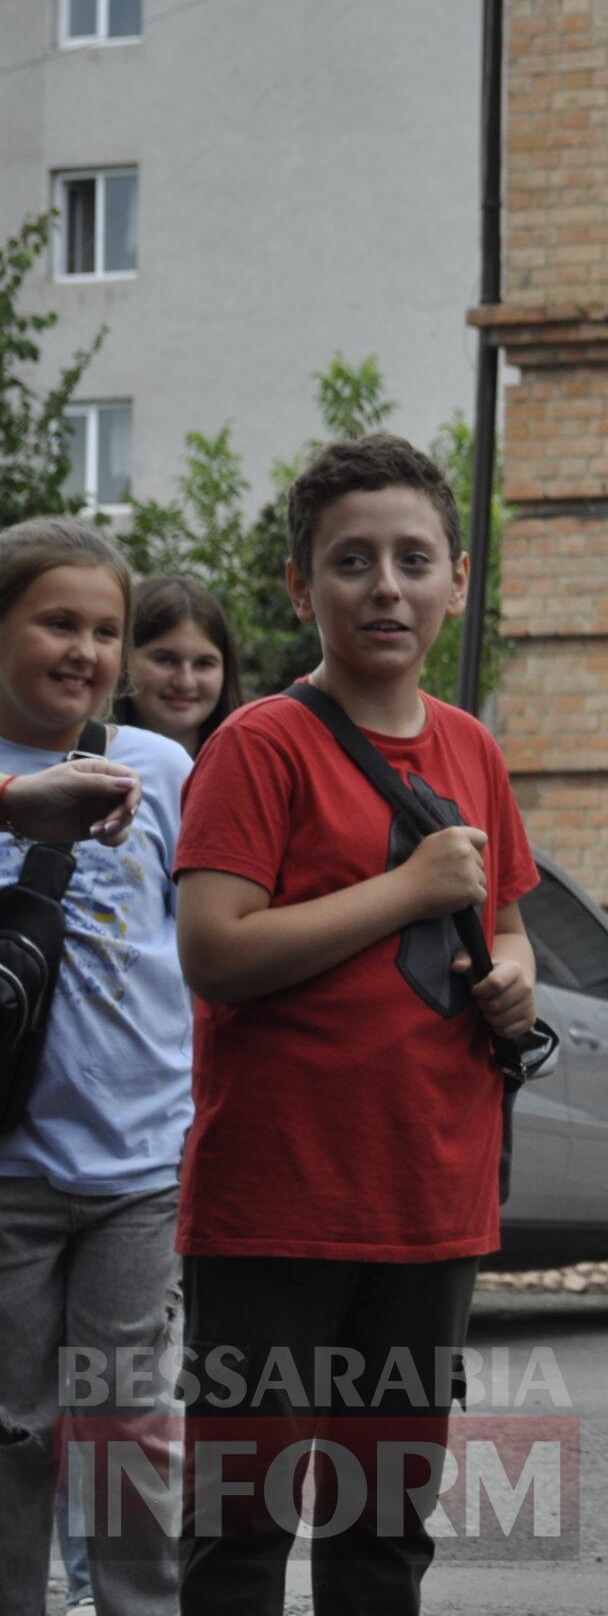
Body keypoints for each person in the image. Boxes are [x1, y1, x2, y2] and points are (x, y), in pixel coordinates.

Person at [171, 435, 540, 1616]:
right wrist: (409, 889)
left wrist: (518, 978)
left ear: (459, 579)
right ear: (300, 587)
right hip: (275, 1200)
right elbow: (214, 947)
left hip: (430, 1198)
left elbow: (511, 921)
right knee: (241, 1524)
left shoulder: (473, 747)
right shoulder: (258, 744)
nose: (387, 584)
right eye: (352, 560)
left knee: (386, 1527)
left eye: (413, 558)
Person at [0, 519, 191, 1616]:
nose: (85, 648)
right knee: (12, 1427)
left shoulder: (161, 763)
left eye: (106, 629)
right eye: (57, 621)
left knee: (129, 1431)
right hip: (10, 1165)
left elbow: (201, 942)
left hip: (138, 1167)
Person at [117, 574, 246, 756]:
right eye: (165, 660)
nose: (186, 682)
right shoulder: (78, 763)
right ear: (123, 658)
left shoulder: (255, 764)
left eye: (203, 663)